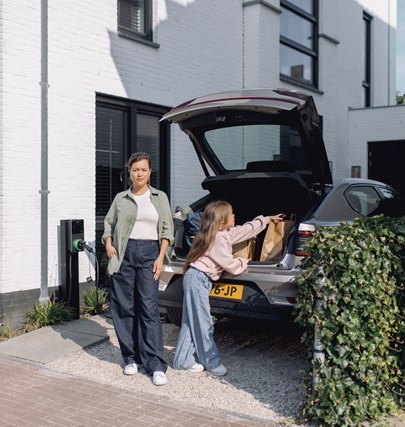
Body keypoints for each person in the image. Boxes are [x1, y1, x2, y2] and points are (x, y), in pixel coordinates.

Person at [173, 200, 284, 376]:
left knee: (191, 321)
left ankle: (182, 361)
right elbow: (230, 265)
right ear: (222, 220)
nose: (234, 216)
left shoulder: (221, 233)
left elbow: (244, 230)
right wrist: (243, 261)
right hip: (198, 280)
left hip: (196, 278)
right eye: (231, 214)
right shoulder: (218, 239)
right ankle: (212, 363)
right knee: (204, 323)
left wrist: (266, 220)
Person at [102, 152, 174, 386]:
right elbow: (109, 223)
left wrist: (161, 256)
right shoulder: (121, 198)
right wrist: (109, 243)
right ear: (129, 172)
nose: (139, 173)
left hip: (150, 254)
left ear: (149, 172)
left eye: (143, 169)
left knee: (149, 308)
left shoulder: (159, 197)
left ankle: (155, 363)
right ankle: (131, 358)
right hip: (124, 253)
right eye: (135, 170)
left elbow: (166, 228)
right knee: (124, 307)